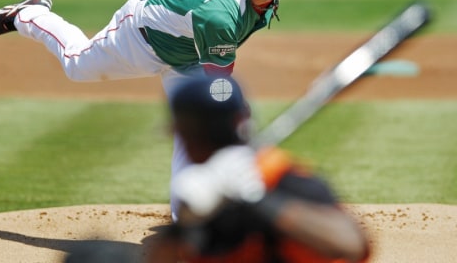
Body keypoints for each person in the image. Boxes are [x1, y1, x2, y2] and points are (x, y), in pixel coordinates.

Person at [0, 0, 296, 219]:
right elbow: (218, 87)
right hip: (141, 36)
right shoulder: (219, 12)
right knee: (77, 65)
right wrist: (240, 124)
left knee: (197, 129)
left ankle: (187, 224)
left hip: (188, 52)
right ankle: (30, 15)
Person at [145, 76, 371, 263]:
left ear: (186, 135)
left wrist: (256, 199)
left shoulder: (279, 177)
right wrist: (182, 225)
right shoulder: (200, 188)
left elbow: (351, 244)